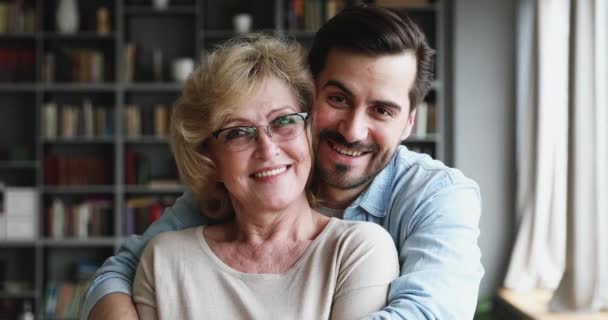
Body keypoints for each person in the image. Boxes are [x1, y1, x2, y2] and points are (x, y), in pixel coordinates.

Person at [82, 5, 484, 320]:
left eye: (382, 111)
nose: (353, 130)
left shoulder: (434, 196)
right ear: (308, 97)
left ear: (409, 122)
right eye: (339, 99)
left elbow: (430, 312)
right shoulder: (255, 181)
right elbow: (124, 271)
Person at [132, 34, 399, 320]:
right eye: (238, 132)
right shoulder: (165, 260)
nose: (267, 149)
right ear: (209, 158)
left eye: (284, 121)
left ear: (309, 133)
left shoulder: (356, 250)